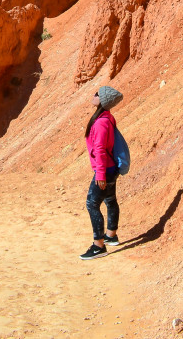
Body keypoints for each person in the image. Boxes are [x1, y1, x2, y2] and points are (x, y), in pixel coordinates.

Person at [80, 84, 123, 259]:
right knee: (110, 200)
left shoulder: (101, 123)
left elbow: (99, 149)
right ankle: (111, 236)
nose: (93, 95)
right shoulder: (108, 118)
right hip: (111, 167)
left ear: (102, 100)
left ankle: (98, 245)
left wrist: (100, 174)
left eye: (96, 94)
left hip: (105, 169)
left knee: (92, 204)